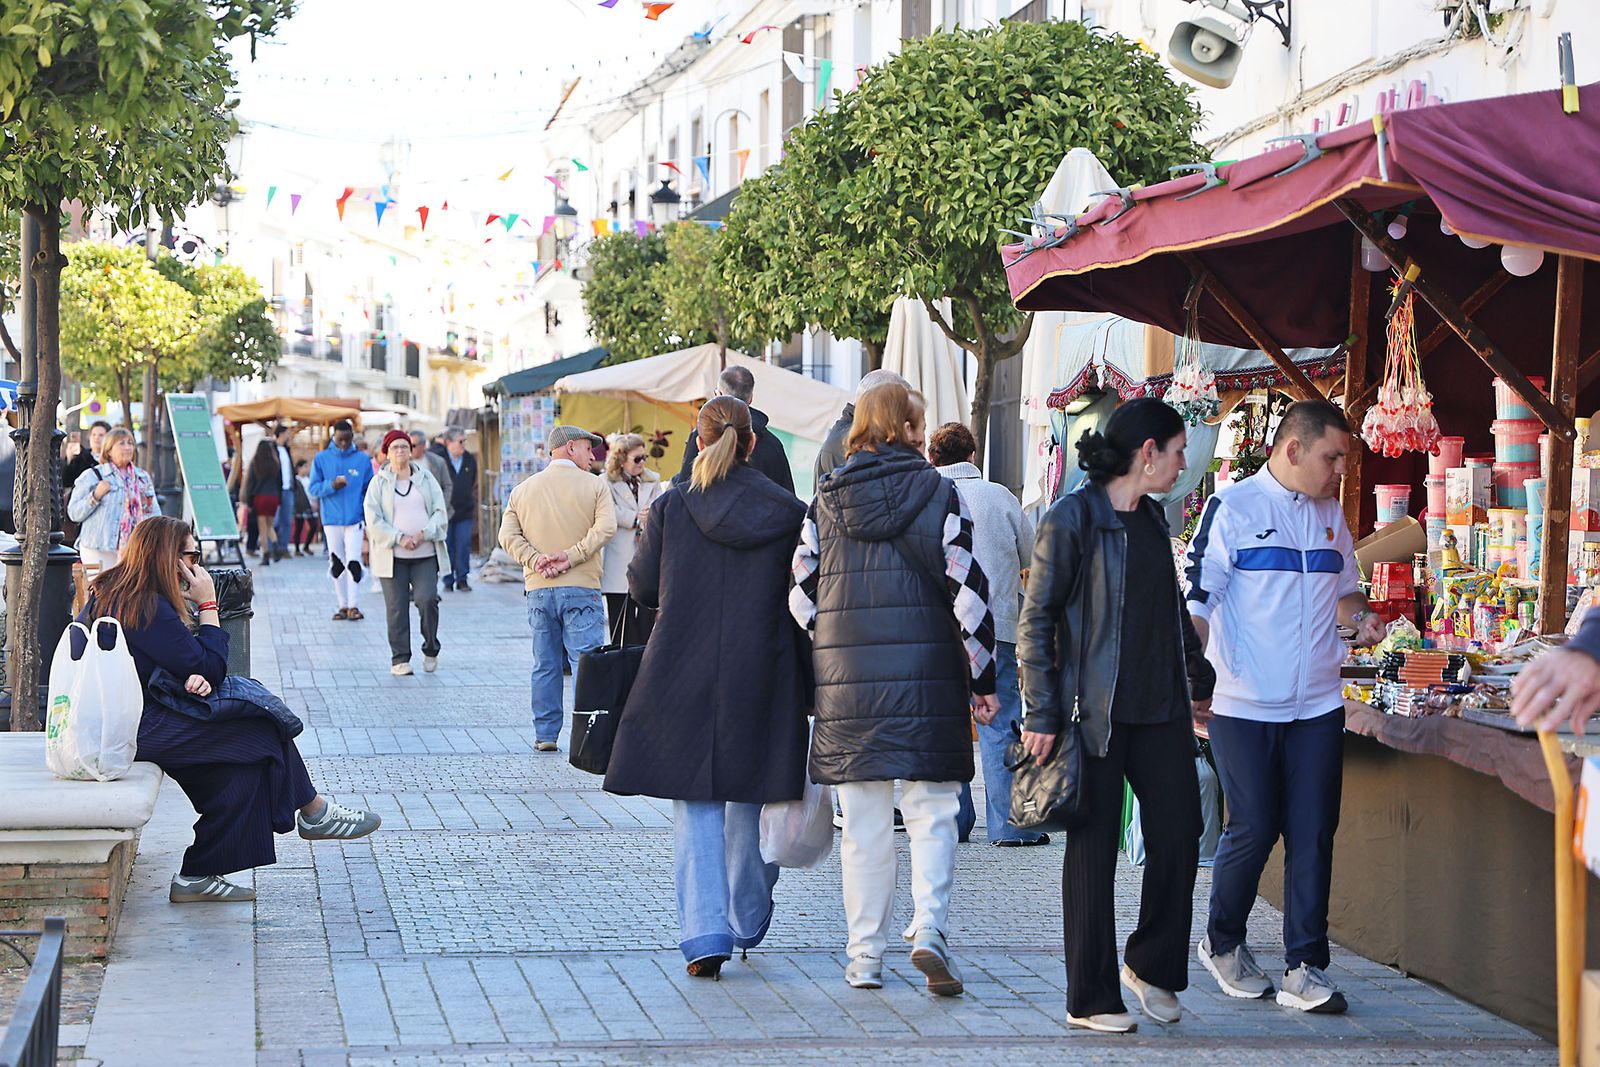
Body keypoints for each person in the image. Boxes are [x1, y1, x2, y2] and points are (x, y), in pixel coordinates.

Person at [790, 381, 999, 997]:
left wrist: (839, 636)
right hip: (929, 678)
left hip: (848, 687)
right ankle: (930, 929)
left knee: (864, 825)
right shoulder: (942, 493)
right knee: (933, 812)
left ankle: (864, 958)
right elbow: (969, 592)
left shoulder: (824, 500)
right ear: (910, 429)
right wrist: (982, 680)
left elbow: (801, 597)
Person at [1016, 398, 1217, 1033]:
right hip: (1090, 713)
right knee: (1094, 850)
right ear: (1147, 452)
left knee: (1181, 833)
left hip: (1160, 709)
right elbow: (1036, 620)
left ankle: (1153, 965)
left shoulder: (1154, 520)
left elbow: (1168, 605)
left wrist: (1196, 672)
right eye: (1178, 451)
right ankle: (1090, 997)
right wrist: (1042, 712)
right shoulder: (1072, 518)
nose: (1184, 463)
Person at [1184, 399, 1385, 1015]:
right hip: (1242, 703)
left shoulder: (1332, 517)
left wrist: (1365, 620)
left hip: (1319, 702)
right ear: (1292, 450)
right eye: (1332, 457)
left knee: (1313, 831)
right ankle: (1222, 943)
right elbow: (1197, 595)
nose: (1339, 472)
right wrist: (1191, 676)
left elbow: (1345, 591)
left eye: (1344, 461)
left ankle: (1306, 967)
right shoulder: (1234, 506)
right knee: (1254, 824)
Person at [605, 397, 810, 978]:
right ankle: (746, 917)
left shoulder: (670, 506)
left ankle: (703, 933)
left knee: (695, 801)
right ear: (750, 444)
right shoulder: (789, 511)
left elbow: (642, 588)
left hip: (682, 665)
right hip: (763, 666)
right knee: (751, 791)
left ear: (698, 441)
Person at [76, 516, 380, 903]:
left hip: (125, 719)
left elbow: (157, 663)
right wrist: (207, 603)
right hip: (138, 727)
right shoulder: (147, 605)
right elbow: (214, 666)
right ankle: (314, 810)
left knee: (241, 774)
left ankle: (198, 876)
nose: (197, 566)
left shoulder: (118, 592)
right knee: (261, 729)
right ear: (167, 557)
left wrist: (186, 675)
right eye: (191, 555)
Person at [927, 422, 1044, 847]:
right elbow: (1033, 557)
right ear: (973, 457)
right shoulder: (1001, 497)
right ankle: (1010, 826)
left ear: (931, 458)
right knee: (1001, 718)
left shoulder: (924, 497)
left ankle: (953, 821)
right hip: (999, 627)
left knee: (947, 722)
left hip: (940, 629)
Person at [498, 424, 617, 752]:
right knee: (586, 662)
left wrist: (535, 560)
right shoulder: (595, 486)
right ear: (569, 448)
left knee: (545, 663)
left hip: (538, 588)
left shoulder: (523, 490)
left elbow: (508, 536)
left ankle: (546, 734)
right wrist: (572, 556)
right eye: (587, 448)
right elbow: (606, 527)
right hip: (581, 587)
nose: (592, 455)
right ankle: (587, 737)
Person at [365, 430, 449, 677]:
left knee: (427, 599)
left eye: (404, 447)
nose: (400, 451)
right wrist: (399, 537)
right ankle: (400, 658)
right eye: (395, 448)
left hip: (424, 553)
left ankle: (431, 647)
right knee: (396, 607)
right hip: (393, 556)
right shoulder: (378, 483)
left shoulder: (426, 479)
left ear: (411, 450)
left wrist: (423, 533)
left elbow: (439, 512)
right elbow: (373, 519)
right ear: (386, 453)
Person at [675, 366, 794, 494]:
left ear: (718, 395)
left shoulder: (704, 435)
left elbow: (684, 492)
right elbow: (788, 498)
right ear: (751, 398)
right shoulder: (772, 444)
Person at [67, 427, 161, 572]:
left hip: (133, 549)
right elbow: (73, 513)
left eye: (130, 443)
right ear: (109, 450)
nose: (127, 447)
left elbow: (154, 514)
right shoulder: (93, 475)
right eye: (121, 443)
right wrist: (95, 496)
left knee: (128, 593)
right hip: (98, 548)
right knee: (102, 593)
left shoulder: (142, 478)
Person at [600, 433, 664, 645]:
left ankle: (641, 671)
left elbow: (657, 507)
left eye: (644, 457)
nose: (642, 462)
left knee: (645, 626)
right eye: (637, 458)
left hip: (645, 556)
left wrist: (649, 517)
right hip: (618, 557)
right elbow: (608, 511)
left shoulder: (652, 479)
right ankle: (620, 672)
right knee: (620, 625)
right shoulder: (605, 482)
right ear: (621, 458)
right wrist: (635, 519)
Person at [308, 420, 374, 621]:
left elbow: (369, 490)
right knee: (336, 563)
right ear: (333, 438)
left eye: (347, 439)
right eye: (340, 440)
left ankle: (354, 605)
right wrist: (332, 485)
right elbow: (313, 488)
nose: (344, 444)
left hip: (354, 518)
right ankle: (342, 605)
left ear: (353, 437)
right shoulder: (321, 459)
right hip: (332, 519)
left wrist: (363, 514)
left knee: (354, 561)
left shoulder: (363, 460)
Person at [814, 369, 910, 487]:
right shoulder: (854, 441)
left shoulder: (851, 435)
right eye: (899, 407)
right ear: (879, 404)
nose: (906, 416)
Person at [441, 427, 478, 592]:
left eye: (464, 441)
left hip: (464, 510)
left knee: (463, 545)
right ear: (449, 442)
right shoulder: (440, 460)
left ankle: (462, 578)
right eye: (460, 441)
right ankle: (448, 579)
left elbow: (472, 483)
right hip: (445, 511)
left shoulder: (469, 459)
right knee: (448, 545)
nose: (463, 445)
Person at [242, 439, 284, 567]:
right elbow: (280, 482)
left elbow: (251, 483)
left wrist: (249, 501)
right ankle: (276, 545)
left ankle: (266, 555)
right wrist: (279, 499)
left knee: (262, 528)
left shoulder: (255, 463)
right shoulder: (276, 463)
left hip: (260, 497)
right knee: (270, 525)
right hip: (273, 497)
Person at [413, 430, 455, 515]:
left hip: (435, 512)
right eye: (407, 445)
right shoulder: (403, 463)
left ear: (423, 445)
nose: (409, 449)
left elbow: (447, 486)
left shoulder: (438, 462)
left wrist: (441, 506)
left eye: (413, 445)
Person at [272, 424, 296, 562]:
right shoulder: (272, 449)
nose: (288, 436)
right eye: (287, 433)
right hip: (276, 490)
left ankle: (284, 547)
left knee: (287, 520)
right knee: (274, 521)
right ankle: (272, 548)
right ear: (281, 434)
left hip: (289, 489)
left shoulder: (286, 450)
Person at [292, 459, 319, 555]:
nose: (307, 469)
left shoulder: (309, 480)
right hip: (300, 506)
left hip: (311, 505)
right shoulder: (295, 480)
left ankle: (306, 546)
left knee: (313, 525)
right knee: (299, 527)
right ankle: (297, 549)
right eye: (305, 466)